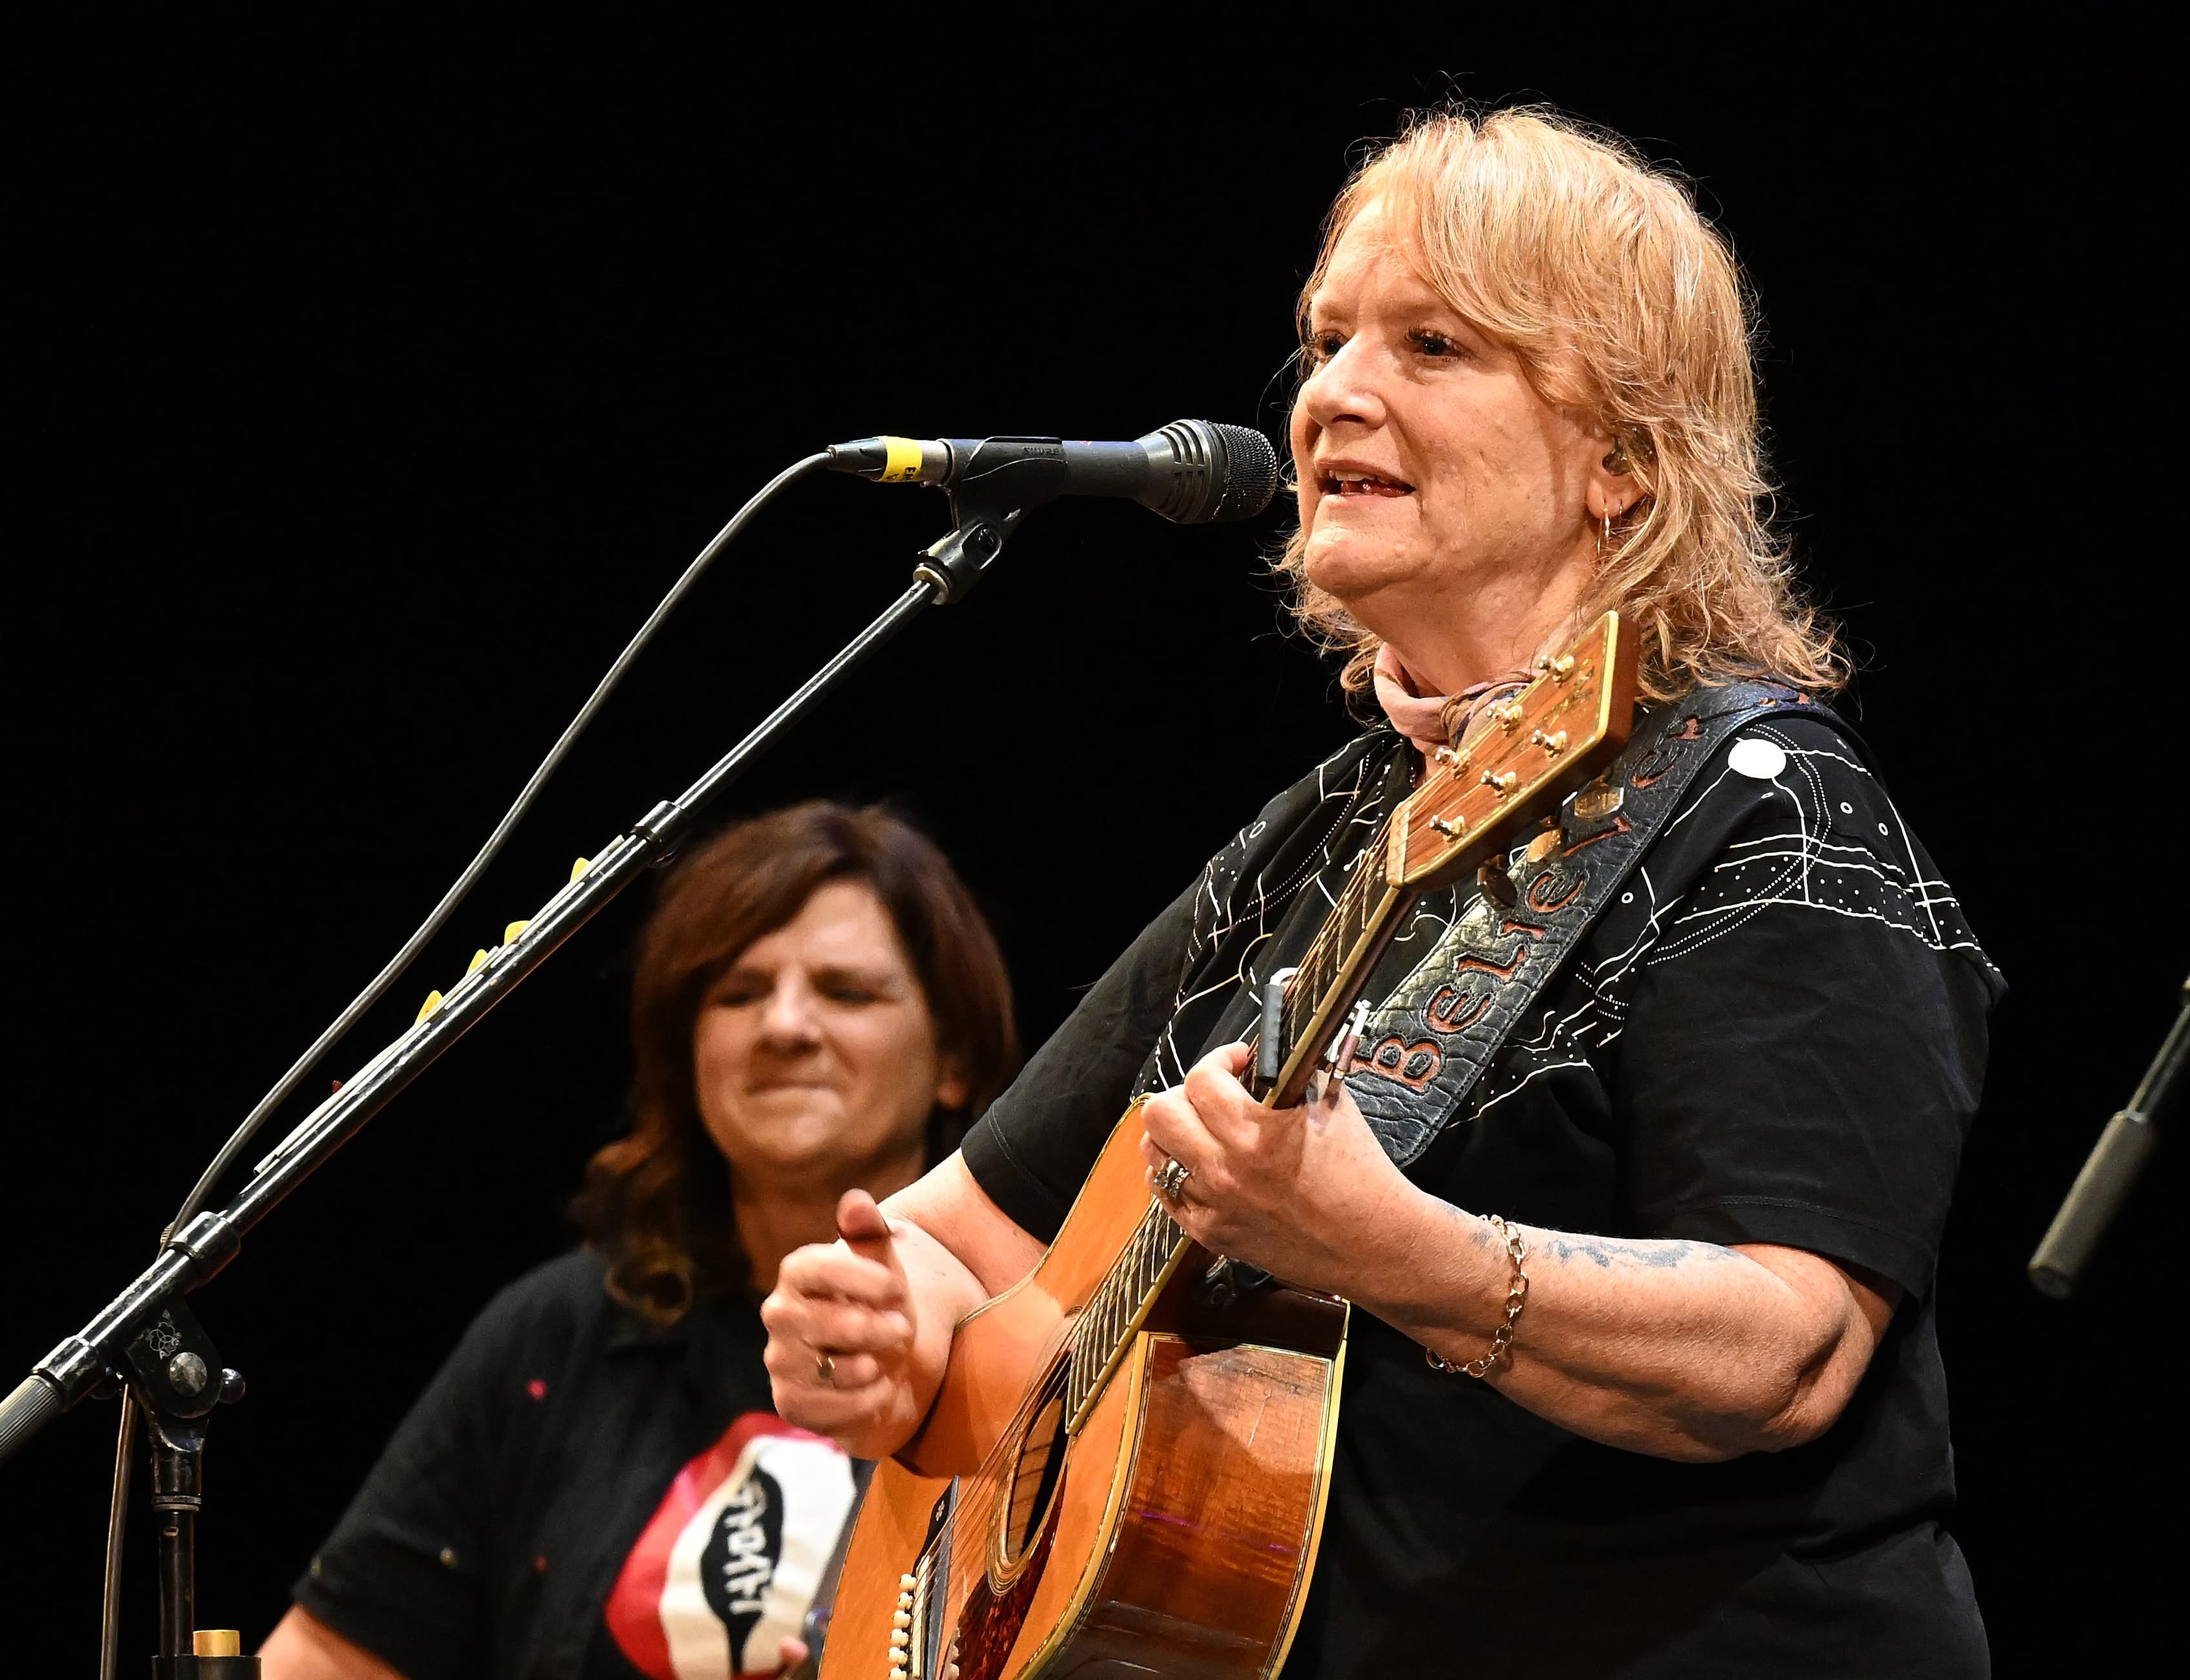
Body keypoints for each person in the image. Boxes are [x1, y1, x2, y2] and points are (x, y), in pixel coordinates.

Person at [763, 106, 2005, 1679]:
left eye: (1431, 345)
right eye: (1327, 339)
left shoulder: (1770, 816)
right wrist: (886, 1342)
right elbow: (951, 1243)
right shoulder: (1335, 826)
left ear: (1623, 458)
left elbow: (1787, 1345)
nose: (1333, 393)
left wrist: (1393, 1247)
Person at [261, 802, 1018, 1680]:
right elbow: (326, 1655)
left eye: (845, 992)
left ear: (955, 1054)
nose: (783, 1026)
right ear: (686, 1051)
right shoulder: (559, 1331)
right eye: (736, 994)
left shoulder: (1032, 1327)